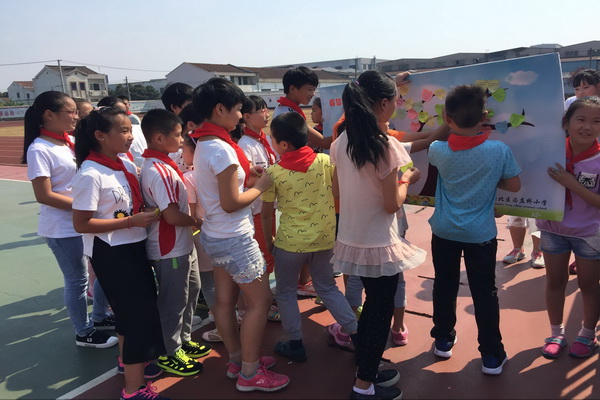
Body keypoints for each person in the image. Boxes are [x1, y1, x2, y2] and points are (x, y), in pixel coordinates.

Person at [331, 70, 427, 400]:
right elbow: (391, 205)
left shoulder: (340, 142)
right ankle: (363, 385)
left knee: (373, 307)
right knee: (378, 312)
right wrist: (406, 180)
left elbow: (336, 190)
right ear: (384, 104)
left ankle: (368, 371)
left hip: (352, 238)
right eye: (396, 101)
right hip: (379, 242)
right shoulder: (386, 146)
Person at [189, 77, 289, 392]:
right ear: (220, 109)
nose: (240, 116)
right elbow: (231, 203)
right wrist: (261, 186)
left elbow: (222, 192)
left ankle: (236, 360)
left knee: (224, 300)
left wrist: (248, 179)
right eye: (237, 110)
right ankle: (250, 371)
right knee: (260, 301)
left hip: (215, 235)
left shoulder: (204, 144)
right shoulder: (222, 150)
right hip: (235, 237)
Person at [71, 107, 167, 399]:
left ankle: (128, 365)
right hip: (112, 253)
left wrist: (139, 217)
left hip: (133, 245)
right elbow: (81, 223)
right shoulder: (90, 173)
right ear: (100, 136)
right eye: (123, 131)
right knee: (137, 319)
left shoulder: (121, 164)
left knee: (129, 316)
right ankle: (134, 391)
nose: (130, 136)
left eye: (130, 129)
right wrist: (130, 222)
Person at [428, 85, 521, 376]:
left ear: (447, 118)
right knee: (484, 292)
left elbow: (442, 150)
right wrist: (490, 179)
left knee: (444, 284)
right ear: (484, 116)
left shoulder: (437, 149)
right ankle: (491, 354)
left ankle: (443, 339)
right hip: (480, 234)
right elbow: (514, 185)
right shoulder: (498, 150)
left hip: (444, 230)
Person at [22, 91, 117, 349]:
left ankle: (100, 316)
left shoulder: (70, 142)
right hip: (63, 228)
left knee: (104, 270)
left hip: (86, 221)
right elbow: (44, 195)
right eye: (71, 111)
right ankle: (84, 332)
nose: (76, 116)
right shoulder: (39, 149)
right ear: (49, 115)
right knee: (77, 280)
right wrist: (83, 207)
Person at [260, 112, 358, 361]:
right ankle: (357, 335)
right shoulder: (325, 161)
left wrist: (269, 241)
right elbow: (338, 192)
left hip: (290, 244)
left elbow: (266, 214)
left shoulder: (273, 173)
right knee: (328, 288)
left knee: (285, 292)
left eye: (273, 139)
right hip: (324, 239)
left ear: (284, 144)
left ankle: (295, 344)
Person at [139, 109, 210, 376]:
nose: (182, 140)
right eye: (178, 135)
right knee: (173, 301)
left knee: (190, 291)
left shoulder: (163, 164)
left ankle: (183, 340)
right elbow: (171, 216)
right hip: (169, 248)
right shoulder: (159, 171)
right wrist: (198, 222)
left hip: (181, 243)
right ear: (159, 138)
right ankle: (169, 351)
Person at [536, 97, 600, 359]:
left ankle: (587, 334)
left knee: (589, 284)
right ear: (566, 123)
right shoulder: (549, 152)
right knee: (555, 281)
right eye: (581, 119)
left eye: (596, 121)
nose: (588, 126)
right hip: (552, 229)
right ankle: (556, 333)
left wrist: (571, 183)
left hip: (589, 233)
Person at [238, 96, 279, 320]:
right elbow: (247, 179)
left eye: (266, 109)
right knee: (264, 255)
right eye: (261, 110)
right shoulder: (245, 145)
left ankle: (264, 299)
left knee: (269, 253)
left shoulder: (264, 140)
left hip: (268, 207)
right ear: (247, 116)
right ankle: (259, 304)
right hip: (256, 210)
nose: (266, 113)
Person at [563, 69, 600, 274]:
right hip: (579, 159)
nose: (581, 92)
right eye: (577, 88)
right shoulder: (571, 104)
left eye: (586, 87)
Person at [97, 96, 147, 167]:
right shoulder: (94, 169)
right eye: (118, 112)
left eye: (124, 113)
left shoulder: (137, 129)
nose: (131, 137)